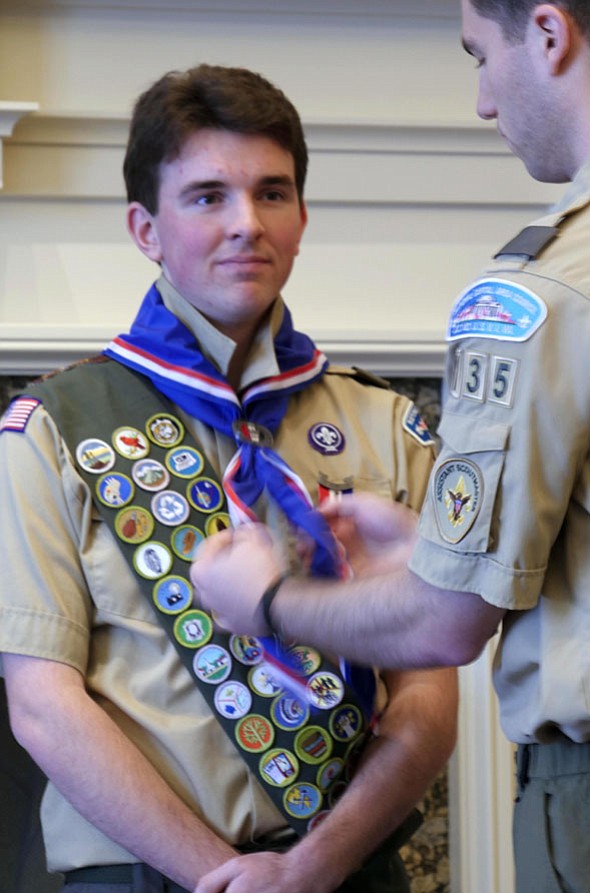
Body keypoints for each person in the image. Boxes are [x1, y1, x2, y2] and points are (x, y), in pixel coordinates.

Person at [190, 2, 590, 891]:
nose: (484, 101)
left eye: (479, 57)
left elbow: (445, 622)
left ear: (551, 33)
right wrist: (431, 545)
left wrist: (266, 599)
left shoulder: (563, 279)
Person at [0, 65, 457, 893]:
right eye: (208, 196)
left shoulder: (383, 422)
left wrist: (314, 866)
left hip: (350, 868)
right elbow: (41, 703)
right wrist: (230, 878)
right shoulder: (53, 431)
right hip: (144, 874)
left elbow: (427, 692)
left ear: (303, 216)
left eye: (272, 193)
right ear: (145, 227)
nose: (247, 223)